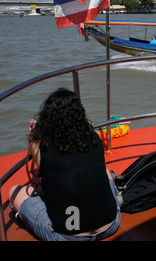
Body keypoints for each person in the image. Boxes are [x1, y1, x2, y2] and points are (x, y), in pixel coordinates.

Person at [8, 88, 121, 241]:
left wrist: (35, 135)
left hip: (68, 235)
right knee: (105, 170)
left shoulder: (40, 146)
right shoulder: (94, 137)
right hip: (110, 225)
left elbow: (36, 166)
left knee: (14, 191)